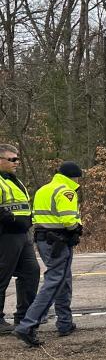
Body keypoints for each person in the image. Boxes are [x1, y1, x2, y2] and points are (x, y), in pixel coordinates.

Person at [14, 161, 83, 347]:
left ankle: (64, 323)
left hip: (44, 239)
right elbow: (69, 220)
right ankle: (28, 325)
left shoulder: (44, 189)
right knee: (55, 281)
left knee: (63, 279)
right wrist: (77, 228)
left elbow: (37, 216)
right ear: (74, 177)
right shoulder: (66, 191)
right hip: (59, 241)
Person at [0, 142, 39, 333]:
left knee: (31, 272)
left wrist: (27, 221)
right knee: (2, 277)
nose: (16, 162)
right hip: (6, 235)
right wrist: (12, 220)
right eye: (12, 159)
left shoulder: (14, 180)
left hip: (22, 234)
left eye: (17, 159)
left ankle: (25, 316)